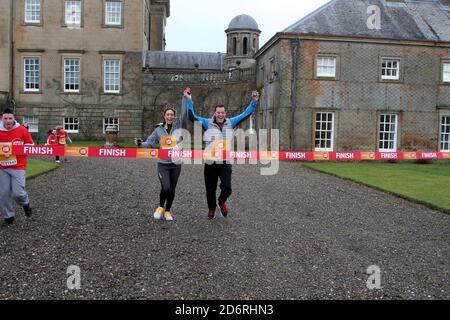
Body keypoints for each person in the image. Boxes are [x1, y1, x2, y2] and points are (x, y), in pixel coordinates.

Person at [186, 90, 260, 219]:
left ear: (225, 113)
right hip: (210, 162)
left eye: (222, 112)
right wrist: (189, 100)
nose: (220, 114)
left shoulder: (231, 122)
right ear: (215, 113)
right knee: (210, 189)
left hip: (225, 161)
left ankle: (221, 201)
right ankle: (211, 208)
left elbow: (245, 114)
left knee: (227, 187)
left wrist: (254, 102)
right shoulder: (206, 123)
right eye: (218, 112)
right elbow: (192, 117)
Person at [135, 88, 190, 221]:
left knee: (171, 189)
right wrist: (140, 144)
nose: (170, 116)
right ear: (164, 116)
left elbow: (185, 114)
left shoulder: (179, 126)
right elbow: (150, 143)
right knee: (165, 187)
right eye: (168, 115)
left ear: (174, 116)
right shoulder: (158, 130)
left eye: (172, 115)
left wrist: (185, 99)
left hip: (176, 164)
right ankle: (160, 207)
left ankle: (168, 211)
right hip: (163, 165)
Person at [0, 108, 34, 226]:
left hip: (18, 166)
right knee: (3, 193)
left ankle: (25, 204)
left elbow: (31, 145)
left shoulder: (22, 130)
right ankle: (9, 216)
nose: (8, 121)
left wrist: (15, 151)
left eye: (10, 118)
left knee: (18, 193)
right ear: (2, 119)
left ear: (14, 118)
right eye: (5, 118)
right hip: (2, 167)